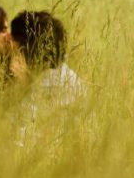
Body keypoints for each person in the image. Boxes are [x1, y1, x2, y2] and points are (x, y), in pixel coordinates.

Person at [7, 11, 87, 145]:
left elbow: (17, 143)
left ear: (23, 50)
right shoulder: (65, 75)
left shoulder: (46, 88)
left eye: (14, 50)